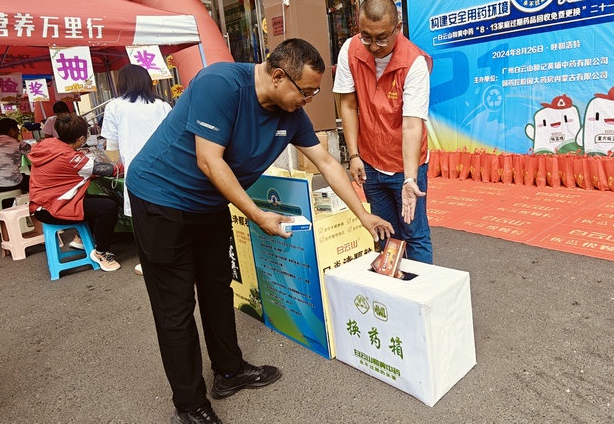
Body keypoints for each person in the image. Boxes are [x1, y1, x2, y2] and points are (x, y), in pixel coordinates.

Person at [125, 38, 393, 424]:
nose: (309, 100)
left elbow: (326, 163)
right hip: (161, 198)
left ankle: (229, 372)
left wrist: (364, 215)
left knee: (218, 288)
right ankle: (189, 404)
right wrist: (257, 215)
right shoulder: (220, 84)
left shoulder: (291, 113)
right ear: (279, 76)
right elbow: (209, 160)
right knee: (175, 306)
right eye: (306, 91)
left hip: (209, 202)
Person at [333, 0, 434, 264]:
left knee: (414, 233)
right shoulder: (350, 50)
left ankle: (421, 287)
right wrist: (354, 155)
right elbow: (347, 104)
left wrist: (410, 179)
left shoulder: (414, 63)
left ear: (397, 28)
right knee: (385, 232)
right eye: (366, 37)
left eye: (382, 38)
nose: (374, 46)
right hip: (370, 161)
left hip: (405, 164)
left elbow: (411, 124)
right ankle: (393, 284)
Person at [101, 64, 172, 276]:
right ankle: (170, 256)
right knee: (167, 212)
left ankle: (148, 261)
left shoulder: (114, 106)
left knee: (141, 218)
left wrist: (116, 165)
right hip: (164, 167)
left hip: (135, 169)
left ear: (122, 82)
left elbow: (112, 146)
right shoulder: (162, 105)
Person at [28, 114, 122, 271]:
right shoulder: (70, 157)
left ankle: (80, 239)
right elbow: (110, 170)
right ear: (81, 138)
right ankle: (102, 252)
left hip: (41, 204)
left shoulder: (48, 145)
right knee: (108, 207)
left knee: (96, 201)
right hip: (52, 209)